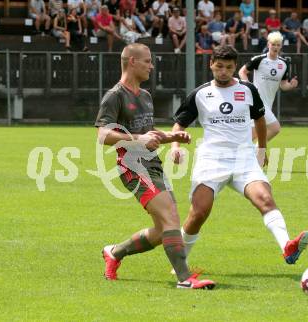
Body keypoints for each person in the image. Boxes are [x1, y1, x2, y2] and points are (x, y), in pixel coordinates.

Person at [170, 45, 308, 272]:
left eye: (228, 67)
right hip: (212, 160)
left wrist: (262, 150)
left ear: (235, 67)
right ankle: (179, 263)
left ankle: (287, 246)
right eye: (219, 66)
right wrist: (175, 145)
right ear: (211, 65)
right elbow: (179, 124)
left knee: (265, 198)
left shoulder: (248, 90)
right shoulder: (201, 94)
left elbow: (261, 121)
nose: (223, 71)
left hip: (244, 158)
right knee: (199, 212)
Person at [96, 43, 215, 290]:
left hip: (154, 166)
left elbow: (147, 134)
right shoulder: (115, 95)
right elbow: (103, 135)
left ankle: (114, 253)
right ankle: (184, 279)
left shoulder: (146, 96)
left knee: (163, 230)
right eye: (148, 61)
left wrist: (172, 139)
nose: (151, 65)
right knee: (171, 217)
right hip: (133, 167)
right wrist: (138, 139)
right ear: (132, 62)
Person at [238, 32, 298, 142]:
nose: (275, 47)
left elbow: (283, 85)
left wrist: (291, 85)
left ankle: (236, 152)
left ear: (281, 46)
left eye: (278, 45)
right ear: (268, 44)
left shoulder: (284, 64)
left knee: (253, 134)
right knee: (275, 128)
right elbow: (242, 72)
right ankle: (258, 151)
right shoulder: (259, 59)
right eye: (273, 44)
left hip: (268, 103)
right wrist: (249, 88)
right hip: (257, 101)